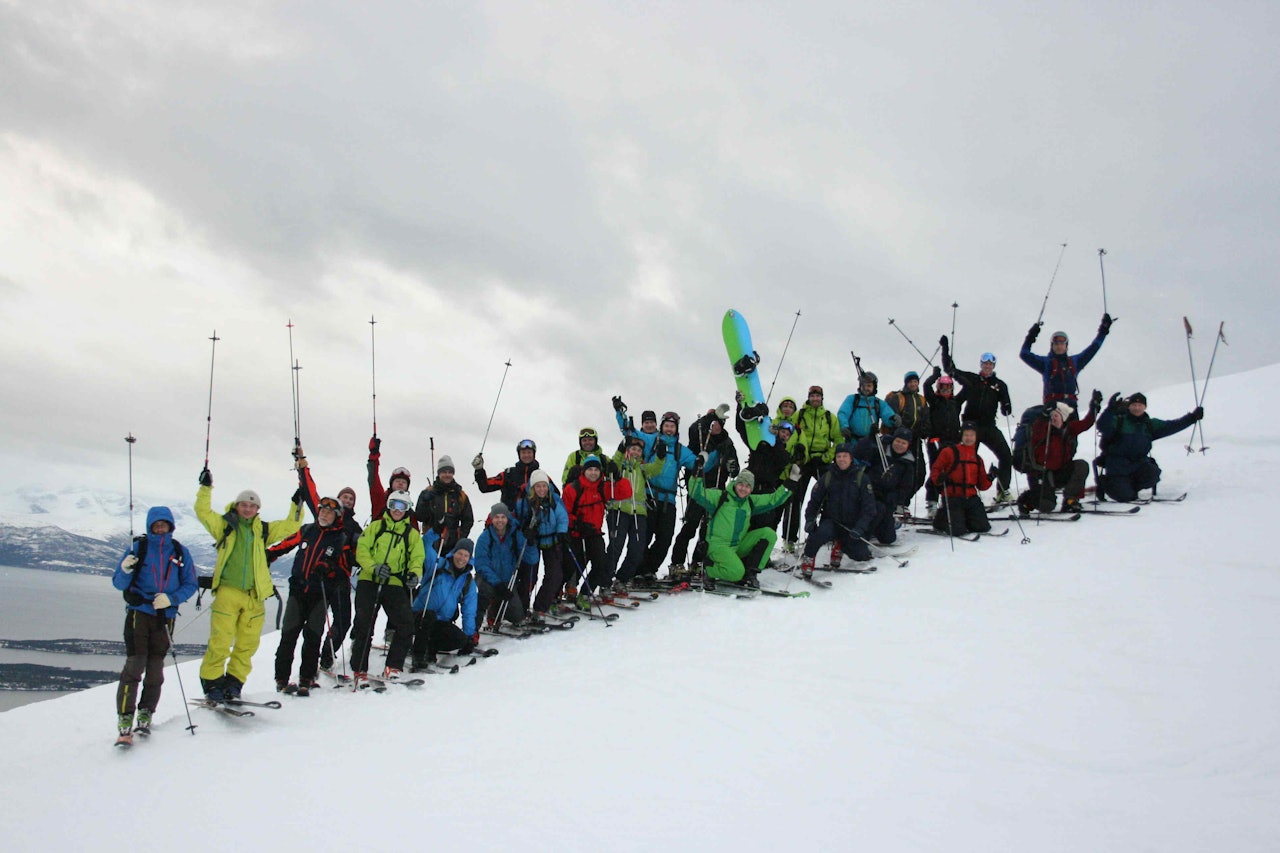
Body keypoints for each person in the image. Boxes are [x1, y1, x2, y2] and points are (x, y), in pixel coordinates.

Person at [195, 466, 303, 702]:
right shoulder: (224, 526)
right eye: (244, 504)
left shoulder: (263, 530)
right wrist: (205, 487)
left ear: (257, 509)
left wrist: (298, 504)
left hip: (255, 595)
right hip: (228, 591)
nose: (248, 508)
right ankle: (213, 684)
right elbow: (202, 511)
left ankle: (234, 684)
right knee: (220, 642)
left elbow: (291, 526)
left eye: (252, 506)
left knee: (247, 645)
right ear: (237, 506)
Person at [112, 506, 198, 744]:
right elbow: (119, 583)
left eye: (164, 524)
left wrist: (171, 599)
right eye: (156, 525)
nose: (160, 528)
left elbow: (190, 584)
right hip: (139, 613)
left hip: (164, 615)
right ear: (150, 526)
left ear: (171, 526)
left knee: (155, 668)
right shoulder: (138, 548)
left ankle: (146, 712)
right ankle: (125, 717)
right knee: (135, 665)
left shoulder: (180, 551)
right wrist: (125, 569)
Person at [270, 490, 353, 695]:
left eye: (329, 513)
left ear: (337, 517)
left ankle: (306, 679)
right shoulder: (307, 530)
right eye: (322, 511)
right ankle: (281, 679)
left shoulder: (341, 539)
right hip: (298, 591)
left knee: (313, 637)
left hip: (319, 594)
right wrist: (267, 555)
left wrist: (329, 569)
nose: (324, 515)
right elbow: (284, 545)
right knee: (288, 635)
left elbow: (345, 570)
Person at [288, 451, 361, 679]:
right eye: (345, 498)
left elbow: (361, 554)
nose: (348, 501)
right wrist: (303, 469)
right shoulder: (325, 517)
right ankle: (306, 668)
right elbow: (311, 494)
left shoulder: (356, 528)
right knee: (311, 626)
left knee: (343, 621)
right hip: (316, 582)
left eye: (351, 499)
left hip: (339, 580)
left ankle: (327, 654)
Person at [349, 490, 425, 687]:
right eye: (394, 505)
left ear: (408, 510)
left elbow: (417, 558)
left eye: (402, 506)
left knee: (406, 624)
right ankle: (359, 668)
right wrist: (373, 567)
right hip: (370, 580)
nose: (397, 510)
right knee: (364, 624)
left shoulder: (412, 534)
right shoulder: (376, 527)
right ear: (388, 506)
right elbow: (362, 549)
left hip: (394, 582)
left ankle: (393, 666)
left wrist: (414, 574)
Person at [637, 412, 716, 580]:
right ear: (661, 427)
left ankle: (649, 569)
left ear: (676, 429)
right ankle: (638, 571)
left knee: (665, 540)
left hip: (668, 501)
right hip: (649, 497)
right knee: (644, 538)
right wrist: (621, 417)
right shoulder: (652, 441)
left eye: (672, 427)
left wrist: (709, 455)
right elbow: (632, 435)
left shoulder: (680, 449)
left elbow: (700, 466)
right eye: (666, 426)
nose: (669, 429)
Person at [940, 336, 1014, 503]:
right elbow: (950, 368)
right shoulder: (972, 379)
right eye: (984, 364)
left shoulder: (999, 385)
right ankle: (961, 491)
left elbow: (1006, 404)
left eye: (990, 364)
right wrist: (945, 348)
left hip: (989, 426)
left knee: (1006, 456)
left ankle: (1003, 490)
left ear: (993, 366)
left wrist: (1007, 407)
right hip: (970, 427)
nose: (987, 366)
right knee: (964, 458)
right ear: (981, 365)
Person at [689, 470, 792, 588]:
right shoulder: (720, 497)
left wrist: (790, 482)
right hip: (718, 546)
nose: (743, 489)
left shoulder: (750, 501)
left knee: (769, 534)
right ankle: (709, 570)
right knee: (736, 572)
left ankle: (750, 574)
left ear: (751, 489)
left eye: (748, 486)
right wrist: (696, 473)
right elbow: (696, 493)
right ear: (735, 484)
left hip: (737, 546)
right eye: (741, 484)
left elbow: (774, 499)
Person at [1096, 393, 1203, 502]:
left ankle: (1128, 487)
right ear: (1129, 406)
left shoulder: (1149, 424)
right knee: (1126, 497)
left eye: (1140, 405)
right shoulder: (1118, 421)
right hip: (1118, 466)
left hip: (1139, 463)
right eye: (1134, 405)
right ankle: (1109, 484)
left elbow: (1173, 426)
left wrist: (1192, 417)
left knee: (1153, 474)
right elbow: (1102, 425)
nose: (1137, 408)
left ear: (1145, 407)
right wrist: (1109, 410)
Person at [671, 406, 739, 573]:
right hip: (698, 489)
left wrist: (732, 467)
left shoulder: (727, 443)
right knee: (690, 526)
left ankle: (698, 561)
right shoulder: (699, 437)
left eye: (717, 423)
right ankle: (677, 562)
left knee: (708, 529)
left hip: (716, 491)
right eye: (712, 423)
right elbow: (694, 427)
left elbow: (734, 468)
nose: (713, 426)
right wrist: (710, 416)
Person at [778, 385, 843, 554]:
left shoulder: (829, 417)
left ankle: (826, 533)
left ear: (822, 398)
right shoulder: (799, 415)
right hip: (802, 460)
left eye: (818, 396)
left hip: (822, 459)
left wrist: (827, 456)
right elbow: (788, 432)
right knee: (794, 498)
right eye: (812, 396)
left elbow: (837, 439)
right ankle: (789, 539)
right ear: (808, 397)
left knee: (829, 495)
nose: (815, 399)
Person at [562, 455, 633, 601]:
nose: (593, 473)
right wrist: (576, 523)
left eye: (596, 470)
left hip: (594, 532)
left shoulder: (604, 487)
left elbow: (626, 493)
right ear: (584, 471)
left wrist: (618, 478)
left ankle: (586, 593)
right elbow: (564, 513)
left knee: (600, 564)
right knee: (574, 566)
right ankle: (561, 592)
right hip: (575, 532)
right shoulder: (573, 488)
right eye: (590, 470)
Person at [800, 443, 878, 575]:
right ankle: (808, 558)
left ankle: (840, 545)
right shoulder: (828, 477)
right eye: (839, 456)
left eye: (845, 456)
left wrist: (860, 527)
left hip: (851, 526)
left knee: (860, 555)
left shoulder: (861, 478)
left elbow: (869, 508)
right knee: (817, 536)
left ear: (851, 458)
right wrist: (810, 520)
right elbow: (814, 502)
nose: (841, 459)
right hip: (832, 521)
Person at [1017, 395, 1100, 515]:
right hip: (1041, 474)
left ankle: (1070, 499)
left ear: (1063, 418)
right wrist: (1044, 415)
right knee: (1047, 506)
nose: (1053, 419)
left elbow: (1085, 424)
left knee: (1081, 465)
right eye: (1051, 416)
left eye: (1056, 416)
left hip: (1060, 472)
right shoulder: (1041, 429)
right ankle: (1026, 500)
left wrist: (1093, 409)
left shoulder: (1068, 429)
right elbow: (1039, 428)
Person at [410, 539, 479, 667]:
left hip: (441, 622)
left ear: (469, 558)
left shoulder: (467, 580)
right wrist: (435, 532)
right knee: (428, 617)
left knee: (460, 640)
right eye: (459, 553)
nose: (461, 558)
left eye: (466, 555)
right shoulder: (438, 565)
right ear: (453, 553)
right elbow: (425, 545)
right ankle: (418, 655)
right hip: (420, 615)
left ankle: (431, 648)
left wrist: (469, 636)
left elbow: (469, 609)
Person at [607, 437, 664, 588]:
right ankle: (605, 581)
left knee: (637, 550)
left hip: (638, 514)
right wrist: (620, 449)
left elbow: (657, 468)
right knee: (615, 547)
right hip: (619, 511)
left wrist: (661, 455)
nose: (636, 452)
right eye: (633, 449)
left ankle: (622, 579)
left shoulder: (642, 469)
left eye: (639, 451)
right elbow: (613, 463)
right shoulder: (620, 467)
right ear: (627, 450)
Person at [734, 397, 796, 534]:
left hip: (766, 493)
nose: (785, 435)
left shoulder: (784, 455)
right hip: (749, 489)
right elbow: (742, 429)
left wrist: (776, 440)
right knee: (741, 527)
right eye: (783, 432)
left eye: (787, 434)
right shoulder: (761, 445)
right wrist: (739, 405)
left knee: (763, 529)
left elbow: (780, 457)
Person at [513, 470, 571, 619]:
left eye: (544, 486)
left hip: (552, 541)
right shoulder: (524, 503)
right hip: (533, 542)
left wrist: (562, 532)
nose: (541, 489)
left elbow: (562, 517)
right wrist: (526, 531)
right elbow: (517, 522)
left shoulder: (554, 500)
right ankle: (522, 609)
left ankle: (540, 607)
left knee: (555, 575)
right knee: (530, 577)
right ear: (533, 488)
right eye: (538, 486)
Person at [1020, 315, 1112, 407]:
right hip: (1052, 407)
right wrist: (1031, 336)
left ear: (1066, 346)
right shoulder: (1045, 363)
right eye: (1056, 344)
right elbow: (1024, 354)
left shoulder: (1075, 362)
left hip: (1071, 407)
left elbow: (1093, 348)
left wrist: (1103, 331)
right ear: (1052, 346)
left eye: (1062, 344)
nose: (1059, 346)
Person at [473, 503, 537, 629]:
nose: (500, 520)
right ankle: (487, 614)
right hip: (489, 580)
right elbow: (481, 564)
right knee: (486, 591)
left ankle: (498, 611)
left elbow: (531, 559)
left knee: (518, 616)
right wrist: (497, 583)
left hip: (508, 581)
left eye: (503, 517)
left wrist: (530, 543)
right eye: (497, 517)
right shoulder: (485, 538)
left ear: (507, 518)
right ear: (492, 519)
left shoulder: (514, 535)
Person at [853, 427, 918, 545]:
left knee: (888, 538)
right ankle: (861, 538)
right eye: (898, 441)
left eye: (903, 443)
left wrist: (897, 498)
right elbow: (859, 452)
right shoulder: (880, 449)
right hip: (869, 494)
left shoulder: (907, 463)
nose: (900, 445)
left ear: (908, 445)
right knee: (876, 510)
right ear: (893, 440)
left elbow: (906, 486)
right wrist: (869, 438)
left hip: (887, 499)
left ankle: (876, 529)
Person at [929, 422, 994, 536]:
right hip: (952, 496)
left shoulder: (977, 459)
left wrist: (991, 477)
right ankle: (941, 519)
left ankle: (963, 518)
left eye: (972, 435)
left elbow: (982, 485)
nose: (969, 438)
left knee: (982, 527)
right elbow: (936, 470)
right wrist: (939, 479)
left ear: (976, 437)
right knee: (957, 531)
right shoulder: (949, 452)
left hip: (970, 497)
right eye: (966, 435)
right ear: (962, 436)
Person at [414, 455, 475, 560]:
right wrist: (425, 501)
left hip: (452, 544)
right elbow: (420, 516)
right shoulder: (428, 492)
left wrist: (460, 536)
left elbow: (468, 519)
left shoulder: (460, 495)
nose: (447, 475)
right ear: (439, 473)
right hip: (431, 542)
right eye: (444, 472)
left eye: (450, 472)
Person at [922, 367, 963, 517]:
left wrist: (955, 375)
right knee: (936, 470)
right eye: (943, 387)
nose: (946, 390)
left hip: (953, 442)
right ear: (939, 388)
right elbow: (926, 386)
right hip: (936, 441)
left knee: (953, 471)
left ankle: (950, 502)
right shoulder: (934, 401)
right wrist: (935, 376)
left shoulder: (955, 402)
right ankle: (932, 503)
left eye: (948, 387)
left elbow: (968, 388)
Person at [885, 371, 931, 498]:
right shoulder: (898, 397)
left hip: (915, 440)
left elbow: (927, 417)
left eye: (915, 382)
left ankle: (905, 500)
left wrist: (924, 430)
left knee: (919, 472)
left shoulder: (921, 399)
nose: (913, 384)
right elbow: (891, 417)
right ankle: (895, 501)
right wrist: (901, 430)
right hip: (899, 440)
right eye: (910, 382)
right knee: (899, 471)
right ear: (906, 383)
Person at [474, 439, 544, 508]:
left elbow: (554, 496)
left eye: (529, 452)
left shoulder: (541, 476)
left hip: (534, 518)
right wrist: (479, 470)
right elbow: (485, 487)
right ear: (519, 454)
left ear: (533, 454)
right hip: (509, 517)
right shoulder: (508, 474)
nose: (526, 455)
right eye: (523, 452)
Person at [366, 435, 418, 527]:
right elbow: (373, 479)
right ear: (391, 484)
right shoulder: (380, 501)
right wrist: (373, 457)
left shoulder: (410, 513)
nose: (401, 483)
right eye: (397, 481)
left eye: (404, 482)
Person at [838, 372, 897, 442]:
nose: (866, 388)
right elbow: (843, 413)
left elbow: (887, 415)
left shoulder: (878, 403)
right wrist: (844, 427)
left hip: (871, 442)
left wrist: (894, 419)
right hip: (852, 441)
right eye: (863, 386)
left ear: (874, 387)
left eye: (869, 386)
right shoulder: (852, 399)